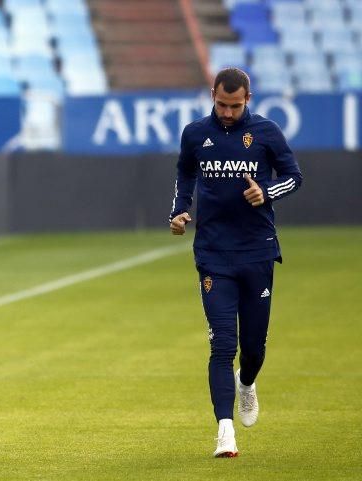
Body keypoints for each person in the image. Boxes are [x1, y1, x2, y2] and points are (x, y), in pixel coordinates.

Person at [169, 67, 302, 458]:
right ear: (212, 95)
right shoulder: (195, 133)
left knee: (254, 347)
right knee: (222, 344)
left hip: (257, 249)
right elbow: (184, 172)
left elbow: (294, 176)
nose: (227, 112)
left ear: (248, 99)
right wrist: (178, 211)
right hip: (213, 253)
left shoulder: (266, 133)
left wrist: (268, 192)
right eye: (221, 104)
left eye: (235, 105)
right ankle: (224, 432)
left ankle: (247, 382)